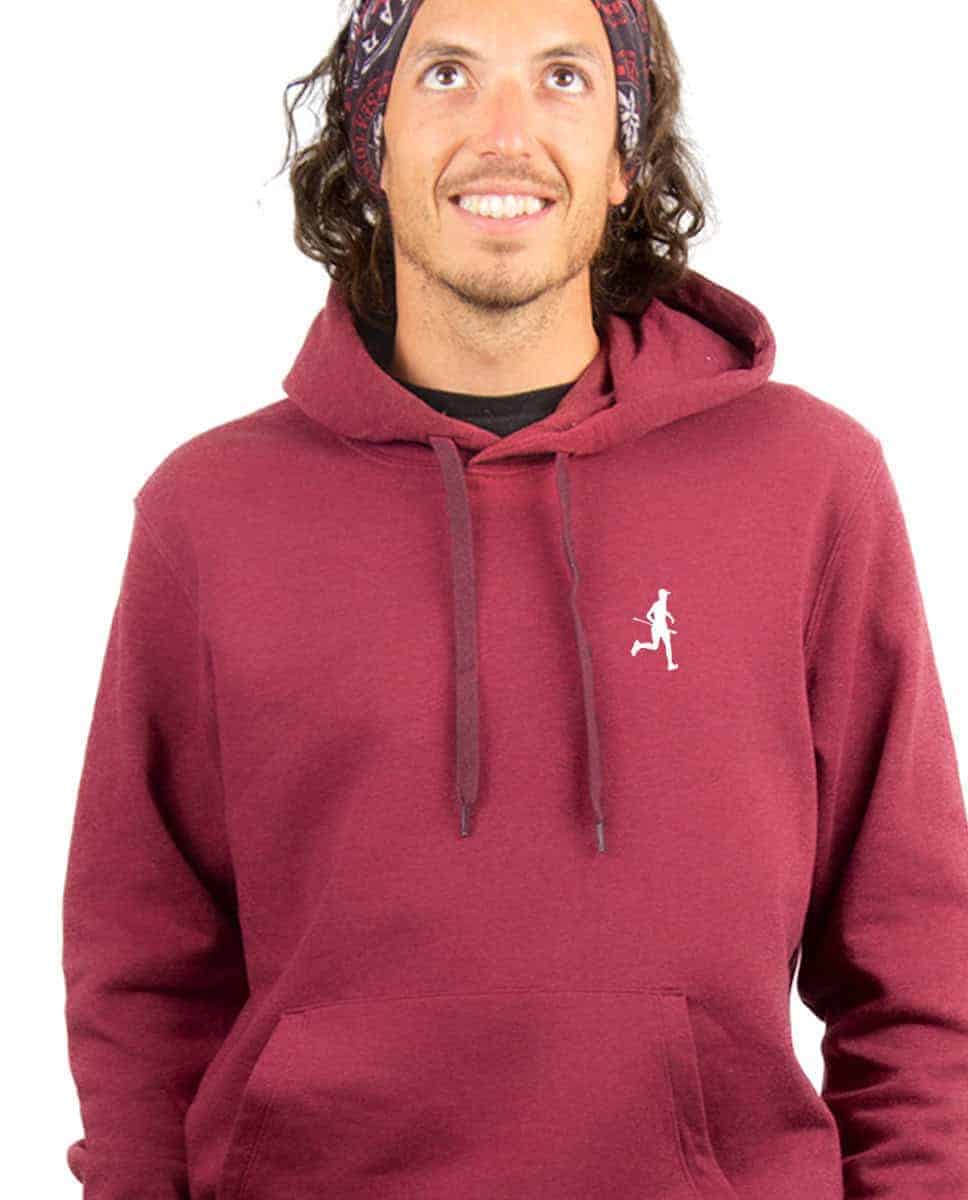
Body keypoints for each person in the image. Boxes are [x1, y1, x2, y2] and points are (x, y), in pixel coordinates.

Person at [61, 1, 968, 1197]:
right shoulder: (210, 512)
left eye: (561, 79)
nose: (504, 131)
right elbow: (140, 969)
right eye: (446, 74)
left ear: (625, 154)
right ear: (371, 137)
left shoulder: (805, 482)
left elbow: (915, 949)